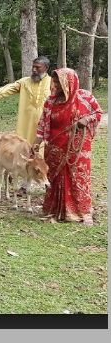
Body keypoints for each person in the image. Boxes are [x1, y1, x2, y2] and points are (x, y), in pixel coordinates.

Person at [33, 68, 102, 226]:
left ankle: (83, 212)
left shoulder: (85, 97)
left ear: (70, 82)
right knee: (55, 179)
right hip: (55, 148)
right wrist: (36, 143)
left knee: (78, 178)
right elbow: (43, 124)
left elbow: (98, 113)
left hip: (77, 149)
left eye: (59, 81)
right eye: (54, 80)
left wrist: (86, 120)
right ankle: (57, 210)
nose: (55, 84)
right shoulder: (50, 101)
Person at [0, 56, 52, 145]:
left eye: (37, 67)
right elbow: (4, 90)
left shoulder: (52, 83)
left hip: (45, 124)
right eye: (33, 67)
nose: (34, 70)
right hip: (25, 124)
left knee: (42, 151)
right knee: (24, 149)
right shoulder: (24, 82)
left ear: (46, 68)